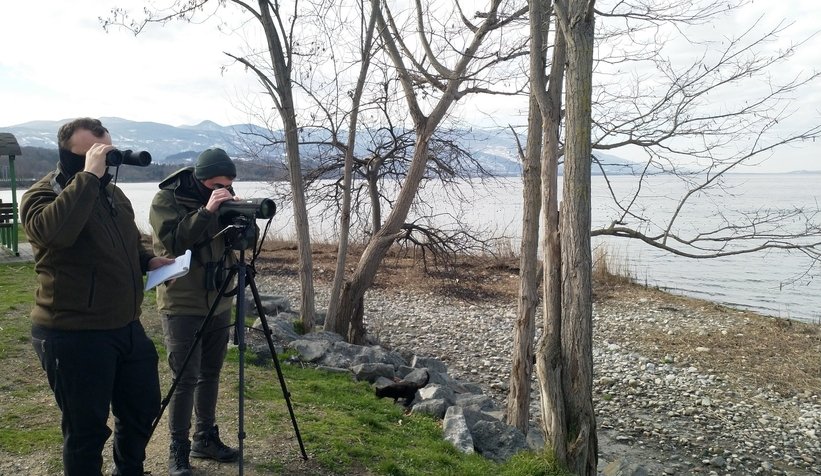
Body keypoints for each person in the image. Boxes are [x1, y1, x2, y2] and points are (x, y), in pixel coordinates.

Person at [20, 117, 172, 476]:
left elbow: (129, 241)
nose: (104, 160)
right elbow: (54, 235)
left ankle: (129, 470)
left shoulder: (112, 194)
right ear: (69, 155)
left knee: (141, 410)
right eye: (93, 152)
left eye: (107, 151)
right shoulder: (41, 195)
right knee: (86, 430)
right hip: (73, 333)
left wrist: (149, 260)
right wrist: (87, 178)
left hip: (125, 327)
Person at [149, 148, 241, 476]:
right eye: (218, 184)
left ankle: (205, 436)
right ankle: (178, 448)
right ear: (201, 180)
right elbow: (174, 243)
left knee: (211, 372)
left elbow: (243, 244)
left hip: (219, 299)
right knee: (184, 378)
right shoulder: (166, 201)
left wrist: (240, 216)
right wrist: (207, 210)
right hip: (182, 302)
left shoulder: (224, 199)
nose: (224, 189)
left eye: (228, 185)